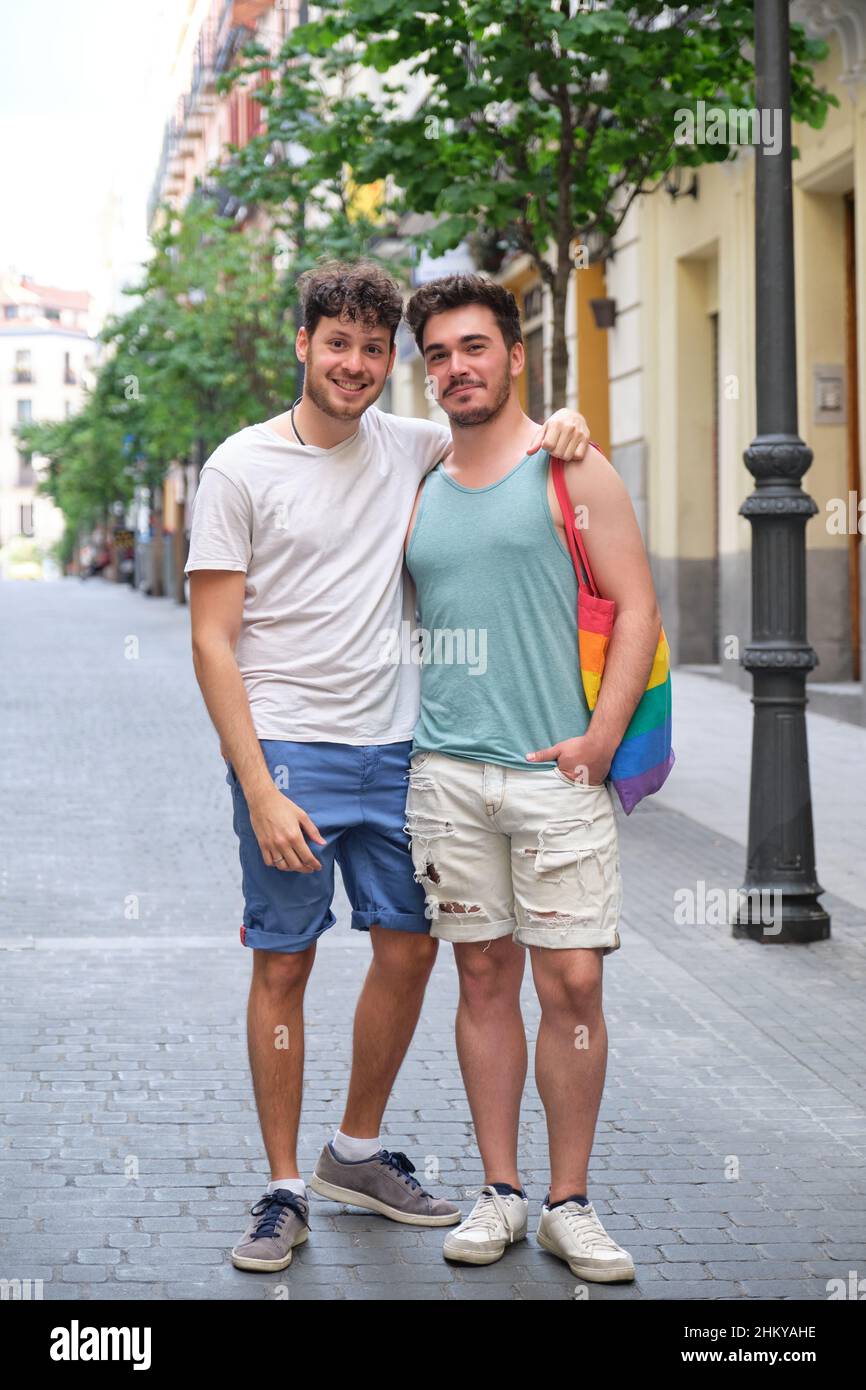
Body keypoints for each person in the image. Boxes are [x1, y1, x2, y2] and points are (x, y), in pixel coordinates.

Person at [183, 259, 593, 1273]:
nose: (356, 365)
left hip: (402, 748)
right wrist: (261, 785)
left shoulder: (411, 444)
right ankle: (282, 1187)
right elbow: (208, 639)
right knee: (284, 962)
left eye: (374, 350)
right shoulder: (239, 467)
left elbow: (500, 432)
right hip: (288, 751)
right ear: (302, 345)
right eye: (338, 345)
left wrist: (567, 424)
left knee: (410, 950)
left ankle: (353, 1152)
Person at [402, 273, 663, 1283]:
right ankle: (501, 1193)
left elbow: (634, 606)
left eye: (472, 347)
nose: (455, 367)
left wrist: (598, 740)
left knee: (574, 980)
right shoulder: (418, 477)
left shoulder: (570, 466)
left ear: (514, 353)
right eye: (436, 354)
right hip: (446, 776)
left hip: (557, 774)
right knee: (480, 978)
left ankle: (569, 1203)